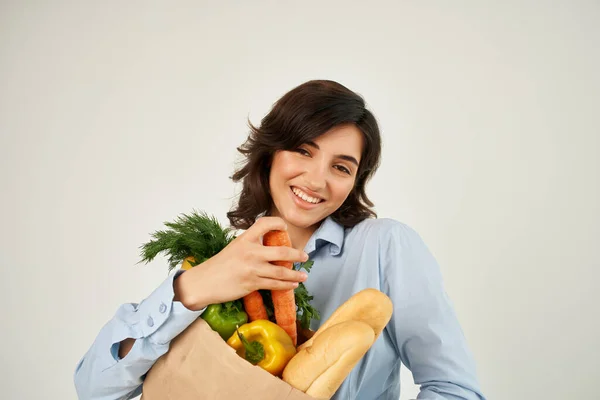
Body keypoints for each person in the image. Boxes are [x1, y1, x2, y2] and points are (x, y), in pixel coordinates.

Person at [74, 80, 486, 400]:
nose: (315, 179)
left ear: (354, 182)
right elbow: (97, 387)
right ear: (270, 153)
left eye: (341, 167)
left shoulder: (384, 247)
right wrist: (190, 290)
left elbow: (456, 388)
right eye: (302, 151)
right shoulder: (217, 258)